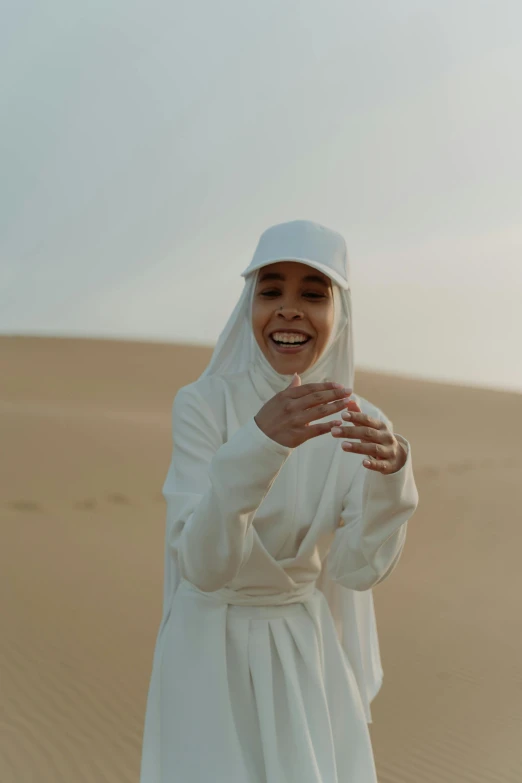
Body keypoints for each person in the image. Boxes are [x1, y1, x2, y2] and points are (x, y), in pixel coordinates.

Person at [140, 219, 419, 783]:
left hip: (303, 648)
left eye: (312, 294)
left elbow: (354, 570)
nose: (289, 309)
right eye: (271, 291)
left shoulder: (362, 421)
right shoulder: (202, 403)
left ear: (340, 313)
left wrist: (393, 481)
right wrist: (260, 444)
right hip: (207, 649)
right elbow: (204, 565)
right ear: (250, 305)